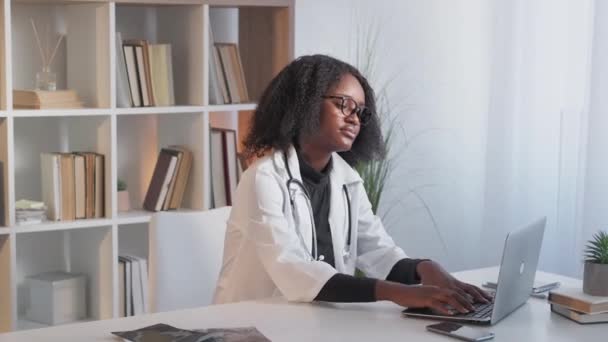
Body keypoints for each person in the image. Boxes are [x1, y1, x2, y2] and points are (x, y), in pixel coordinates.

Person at [213, 54, 491, 315]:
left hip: (316, 321)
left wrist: (425, 269)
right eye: (343, 104)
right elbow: (294, 270)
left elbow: (378, 252)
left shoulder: (348, 180)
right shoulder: (264, 178)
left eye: (360, 111)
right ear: (304, 103)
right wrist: (396, 293)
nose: (354, 119)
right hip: (251, 323)